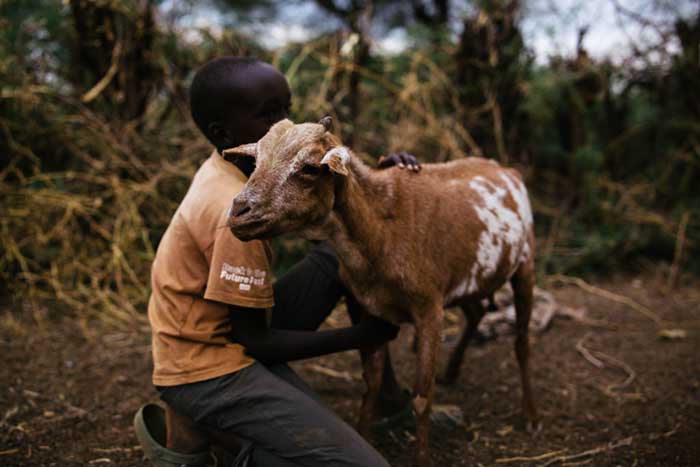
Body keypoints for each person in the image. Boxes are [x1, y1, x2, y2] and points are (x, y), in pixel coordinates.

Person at [137, 56, 420, 467]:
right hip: (207, 365)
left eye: (285, 108)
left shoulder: (244, 165)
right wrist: (361, 334)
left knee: (337, 252)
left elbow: (338, 209)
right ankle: (212, 433)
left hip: (226, 326)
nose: (284, 124)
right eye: (268, 115)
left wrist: (378, 178)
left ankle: (388, 402)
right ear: (225, 134)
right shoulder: (236, 216)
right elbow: (255, 343)